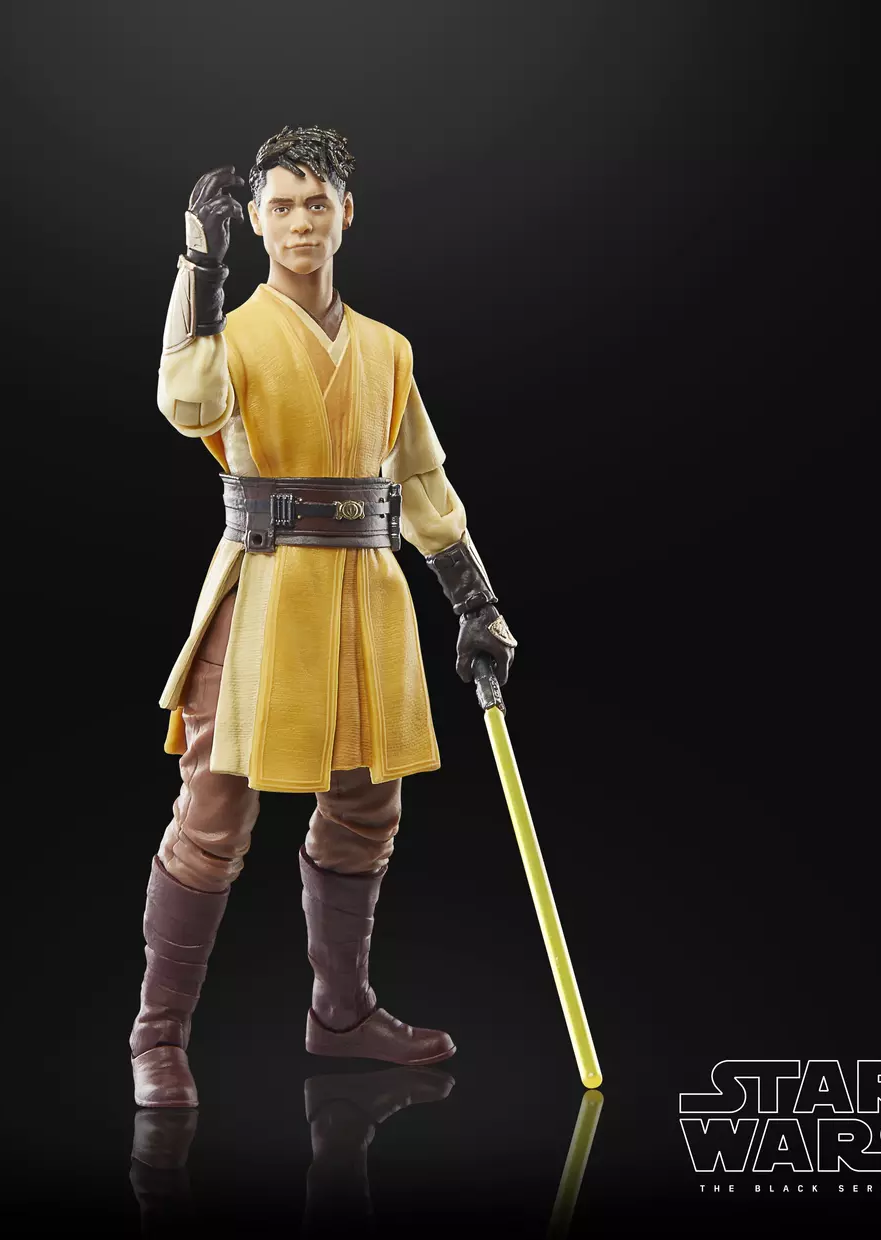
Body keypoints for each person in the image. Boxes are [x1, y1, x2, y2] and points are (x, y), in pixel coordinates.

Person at [130, 125, 517, 1108]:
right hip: (265, 586)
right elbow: (185, 402)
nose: (299, 222)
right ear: (257, 222)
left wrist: (474, 600)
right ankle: (158, 1036)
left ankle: (341, 1013)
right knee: (214, 810)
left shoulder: (388, 350)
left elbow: (421, 480)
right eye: (280, 206)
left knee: (365, 805)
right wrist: (197, 264)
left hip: (367, 592)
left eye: (315, 203)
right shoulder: (232, 337)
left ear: (345, 212)